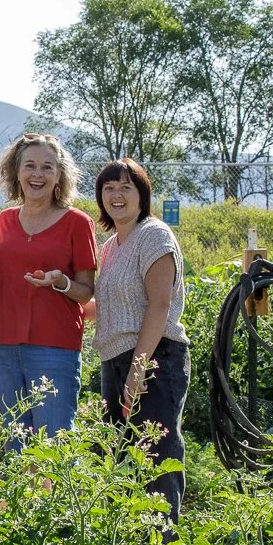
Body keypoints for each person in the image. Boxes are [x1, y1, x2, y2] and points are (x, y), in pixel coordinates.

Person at [92, 158, 191, 523]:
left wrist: (139, 369)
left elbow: (159, 305)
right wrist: (60, 287)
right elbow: (114, 304)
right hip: (115, 359)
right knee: (122, 458)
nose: (116, 195)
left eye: (125, 187)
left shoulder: (154, 235)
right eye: (108, 188)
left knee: (156, 458)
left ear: (141, 194)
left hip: (154, 357)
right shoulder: (112, 245)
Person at [0, 133, 98, 449]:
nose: (38, 174)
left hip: (54, 346)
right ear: (15, 173)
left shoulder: (77, 222)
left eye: (47, 167)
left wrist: (60, 281)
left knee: (54, 441)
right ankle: (24, 501)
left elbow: (86, 291)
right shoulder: (5, 220)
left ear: (60, 175)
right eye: (30, 166)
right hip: (3, 343)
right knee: (15, 438)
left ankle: (57, 500)